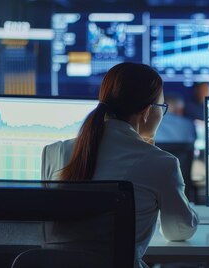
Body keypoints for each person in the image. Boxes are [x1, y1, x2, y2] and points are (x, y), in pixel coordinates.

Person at [41, 62, 198, 268]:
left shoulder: (54, 152)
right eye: (162, 107)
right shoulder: (161, 163)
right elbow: (179, 230)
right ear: (147, 111)